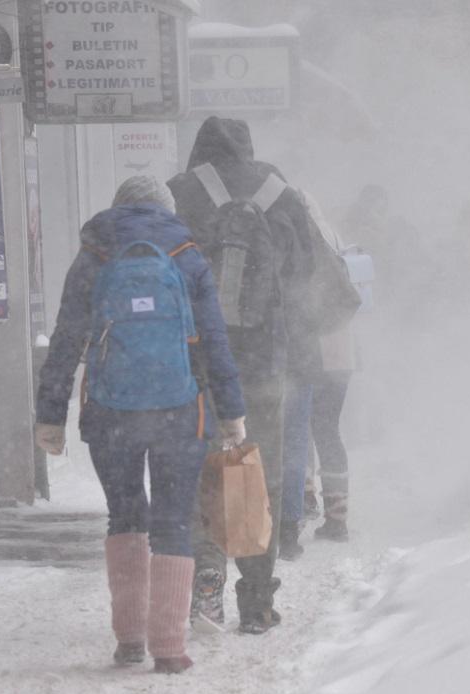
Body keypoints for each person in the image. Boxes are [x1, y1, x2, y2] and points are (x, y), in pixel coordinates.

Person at [34, 175, 246, 674]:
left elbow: (67, 339)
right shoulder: (188, 254)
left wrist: (50, 414)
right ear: (165, 210)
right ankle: (169, 648)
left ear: (119, 208)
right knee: (172, 523)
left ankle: (129, 640)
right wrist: (232, 411)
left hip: (110, 410)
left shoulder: (95, 253)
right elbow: (215, 340)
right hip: (180, 409)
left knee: (125, 517)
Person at [168, 116, 318, 634]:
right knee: (258, 473)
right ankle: (256, 601)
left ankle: (206, 579)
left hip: (197, 361)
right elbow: (306, 273)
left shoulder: (182, 192)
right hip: (263, 359)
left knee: (202, 470)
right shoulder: (279, 190)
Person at [281, 193, 356, 557]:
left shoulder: (295, 243)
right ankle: (337, 518)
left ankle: (304, 499)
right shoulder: (334, 240)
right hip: (342, 349)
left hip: (310, 346)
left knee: (298, 424)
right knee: (327, 428)